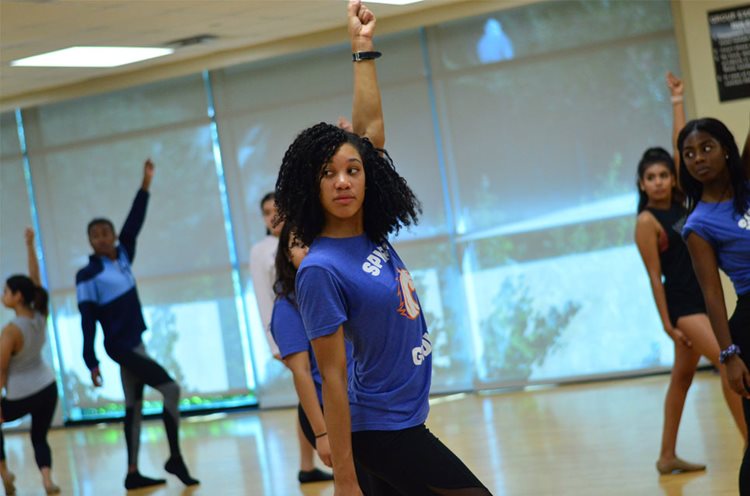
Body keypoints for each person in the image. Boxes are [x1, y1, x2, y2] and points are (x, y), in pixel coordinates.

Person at [274, 1, 491, 493]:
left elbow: (369, 133)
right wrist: (345, 481)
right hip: (380, 429)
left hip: (402, 418)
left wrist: (363, 49)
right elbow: (331, 377)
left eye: (353, 170)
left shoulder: (371, 231)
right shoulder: (321, 269)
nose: (343, 182)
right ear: (312, 189)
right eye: (328, 174)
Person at [634, 73, 746, 475]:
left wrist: (677, 99)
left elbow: (685, 149)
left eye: (665, 174)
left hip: (701, 301)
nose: (661, 181)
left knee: (681, 380)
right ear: (642, 184)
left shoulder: (685, 202)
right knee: (726, 361)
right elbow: (653, 276)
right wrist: (667, 323)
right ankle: (749, 440)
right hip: (683, 307)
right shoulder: (646, 221)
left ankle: (667, 456)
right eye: (652, 177)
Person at [75, 159, 199, 490]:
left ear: (114, 236)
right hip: (119, 347)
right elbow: (87, 321)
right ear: (90, 242)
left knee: (134, 405)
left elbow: (135, 221)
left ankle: (132, 473)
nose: (101, 239)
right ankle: (175, 458)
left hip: (136, 343)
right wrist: (91, 362)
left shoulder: (124, 254)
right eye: (94, 236)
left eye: (105, 233)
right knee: (171, 389)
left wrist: (145, 184)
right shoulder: (87, 275)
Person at [680, 116, 750, 494]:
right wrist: (729, 355)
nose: (698, 158)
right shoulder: (699, 224)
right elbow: (712, 294)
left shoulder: (747, 187)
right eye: (689, 153)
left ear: (726, 148)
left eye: (706, 147)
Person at [249, 193, 334, 484]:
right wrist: (274, 345)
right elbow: (263, 297)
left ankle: (306, 465)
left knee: (313, 392)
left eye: (277, 209)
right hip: (290, 331)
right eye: (266, 212)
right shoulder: (261, 250)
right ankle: (317, 446)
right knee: (309, 385)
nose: (272, 216)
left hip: (311, 321)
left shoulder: (306, 235)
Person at [270, 223, 354, 473]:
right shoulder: (286, 308)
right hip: (325, 414)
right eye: (297, 245)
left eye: (311, 242)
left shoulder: (333, 290)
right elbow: (301, 373)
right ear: (287, 255)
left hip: (356, 404)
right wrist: (322, 433)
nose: (306, 250)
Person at [0, 229, 59, 495]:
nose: (3, 295)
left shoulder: (11, 331)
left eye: (6, 291)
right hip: (48, 388)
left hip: (21, 395)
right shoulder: (39, 315)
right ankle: (47, 480)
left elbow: (1, 371)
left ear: (18, 297)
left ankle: (4, 473)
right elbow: (36, 281)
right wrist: (30, 245)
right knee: (39, 437)